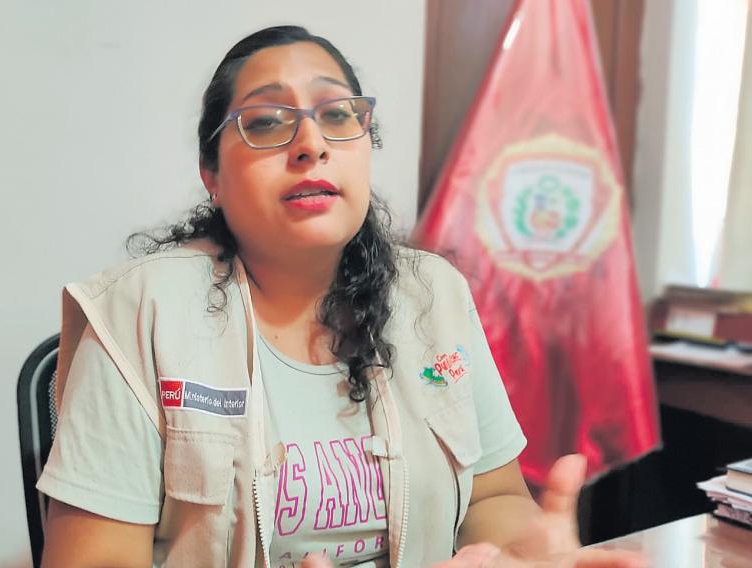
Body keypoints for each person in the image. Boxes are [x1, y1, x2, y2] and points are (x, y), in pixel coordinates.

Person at [36, 25, 647, 568]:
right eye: (267, 122)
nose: (312, 143)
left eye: (337, 115)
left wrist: (515, 554)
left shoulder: (431, 294)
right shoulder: (144, 311)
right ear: (212, 175)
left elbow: (493, 496)